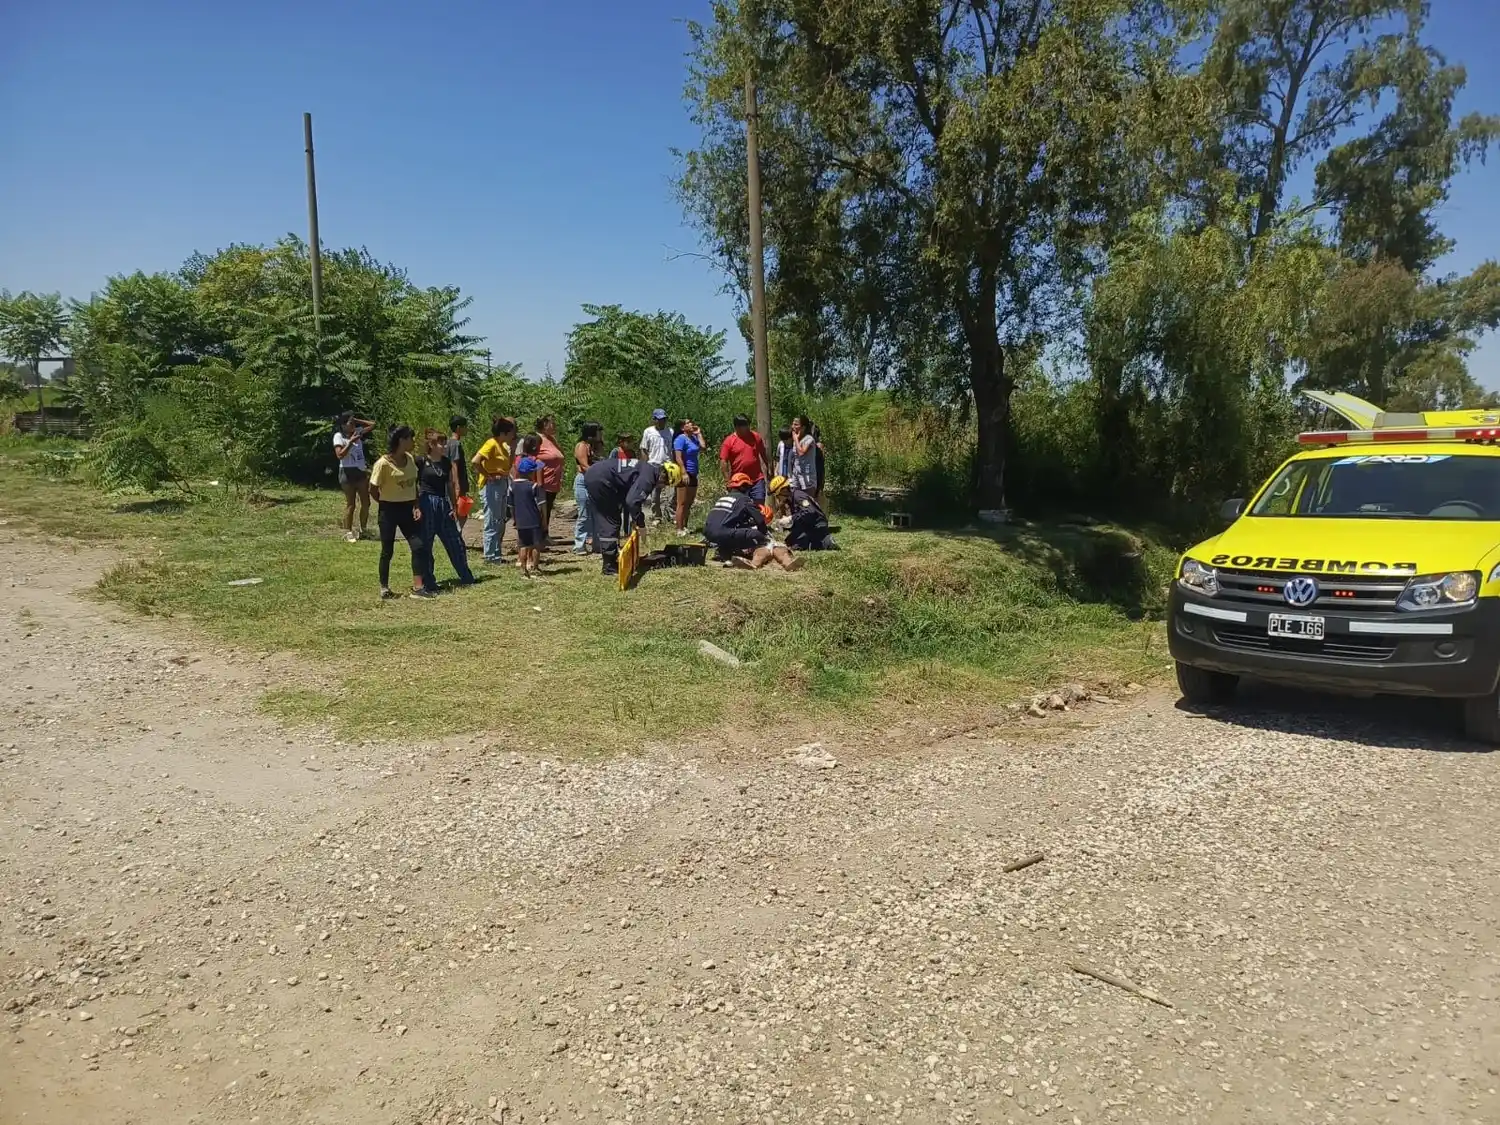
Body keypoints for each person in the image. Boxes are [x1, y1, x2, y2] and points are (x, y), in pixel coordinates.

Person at [582, 445, 683, 576]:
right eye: (667, 484)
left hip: (600, 475)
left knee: (613, 517)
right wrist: (640, 523)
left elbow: (628, 495)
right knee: (610, 520)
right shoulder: (648, 478)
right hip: (600, 479)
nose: (663, 487)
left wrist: (635, 519)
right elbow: (633, 501)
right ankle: (608, 565)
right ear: (665, 476)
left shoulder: (648, 469)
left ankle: (611, 557)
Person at [369, 425, 434, 599]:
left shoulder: (411, 459)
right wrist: (384, 502)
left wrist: (416, 505)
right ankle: (384, 587)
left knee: (418, 546)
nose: (413, 441)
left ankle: (418, 588)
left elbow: (414, 486)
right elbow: (373, 489)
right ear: (401, 440)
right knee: (387, 550)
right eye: (410, 438)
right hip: (389, 510)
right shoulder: (382, 464)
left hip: (408, 509)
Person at [416, 428, 476, 590]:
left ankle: (465, 575)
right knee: (426, 544)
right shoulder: (421, 461)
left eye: (444, 442)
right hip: (427, 502)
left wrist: (454, 506)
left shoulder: (445, 462)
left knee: (455, 541)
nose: (444, 445)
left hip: (442, 503)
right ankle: (428, 580)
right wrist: (416, 506)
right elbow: (414, 484)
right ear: (431, 445)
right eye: (440, 443)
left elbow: (450, 484)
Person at [705, 473, 801, 571]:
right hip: (757, 544)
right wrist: (762, 534)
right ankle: (781, 563)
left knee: (773, 549)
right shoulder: (744, 500)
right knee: (766, 548)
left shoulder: (723, 499)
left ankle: (733, 556)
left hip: (709, 533)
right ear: (744, 487)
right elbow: (759, 520)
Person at [472, 417, 516, 566]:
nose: (513, 435)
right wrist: (487, 474)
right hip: (492, 485)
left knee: (500, 519)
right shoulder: (491, 444)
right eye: (511, 432)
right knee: (491, 520)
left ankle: (496, 553)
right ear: (504, 433)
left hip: (502, 483)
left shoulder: (502, 446)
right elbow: (476, 461)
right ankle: (490, 555)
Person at [333, 411, 375, 542]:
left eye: (353, 423)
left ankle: (363, 529)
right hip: (347, 472)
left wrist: (356, 419)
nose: (352, 425)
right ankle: (348, 532)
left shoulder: (357, 432)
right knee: (351, 504)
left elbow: (373, 425)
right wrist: (350, 442)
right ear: (343, 425)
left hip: (360, 471)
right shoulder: (339, 436)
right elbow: (340, 455)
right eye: (350, 422)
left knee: (366, 502)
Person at [769, 474, 837, 551]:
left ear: (783, 491)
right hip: (807, 524)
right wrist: (787, 524)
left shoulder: (798, 496)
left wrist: (791, 518)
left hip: (817, 524)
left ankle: (826, 541)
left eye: (777, 495)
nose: (778, 498)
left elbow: (810, 512)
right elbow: (801, 516)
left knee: (798, 544)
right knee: (789, 541)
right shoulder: (791, 499)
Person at [511, 436, 547, 578]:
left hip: (520, 521)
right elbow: (541, 505)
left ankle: (523, 569)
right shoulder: (534, 486)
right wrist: (543, 520)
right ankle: (535, 567)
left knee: (523, 544)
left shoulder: (513, 486)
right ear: (531, 472)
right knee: (536, 544)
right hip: (534, 520)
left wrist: (515, 519)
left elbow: (511, 505)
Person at [719, 413, 773, 503]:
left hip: (757, 480)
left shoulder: (756, 437)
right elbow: (723, 461)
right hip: (739, 481)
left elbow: (764, 454)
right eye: (745, 426)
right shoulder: (729, 441)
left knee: (759, 505)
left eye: (748, 425)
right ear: (737, 427)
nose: (748, 428)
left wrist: (769, 471)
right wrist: (727, 481)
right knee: (741, 506)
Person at [573, 421, 605, 555]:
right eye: (598, 431)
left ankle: (597, 544)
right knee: (584, 514)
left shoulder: (595, 447)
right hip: (584, 480)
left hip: (595, 481)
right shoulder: (581, 446)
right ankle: (579, 545)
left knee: (597, 514)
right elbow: (585, 466)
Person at [639, 409, 675, 525]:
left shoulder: (670, 432)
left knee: (672, 493)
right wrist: (645, 465)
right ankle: (657, 517)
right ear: (654, 420)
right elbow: (644, 449)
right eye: (659, 420)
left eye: (664, 419)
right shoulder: (648, 432)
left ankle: (671, 515)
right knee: (655, 495)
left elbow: (673, 449)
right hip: (653, 465)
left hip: (668, 465)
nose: (662, 422)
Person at [533, 415, 566, 542]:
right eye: (552, 423)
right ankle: (538, 537)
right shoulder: (537, 439)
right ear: (544, 425)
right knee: (541, 510)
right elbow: (533, 457)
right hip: (542, 481)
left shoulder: (552, 439)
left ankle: (545, 534)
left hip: (553, 481)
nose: (554, 426)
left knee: (548, 509)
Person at [672, 419, 704, 535]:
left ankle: (685, 525)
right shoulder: (680, 439)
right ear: (682, 428)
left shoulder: (693, 438)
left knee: (690, 501)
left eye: (691, 422)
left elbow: (703, 447)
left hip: (694, 472)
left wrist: (699, 434)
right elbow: (678, 457)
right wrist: (683, 472)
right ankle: (679, 529)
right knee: (682, 502)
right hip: (684, 472)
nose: (691, 424)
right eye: (688, 423)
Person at [446, 416, 471, 532]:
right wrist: (457, 485)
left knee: (458, 510)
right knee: (461, 512)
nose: (466, 429)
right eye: (464, 427)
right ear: (458, 428)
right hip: (458, 483)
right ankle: (456, 534)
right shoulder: (455, 444)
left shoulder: (448, 443)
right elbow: (454, 464)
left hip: (451, 483)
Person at [786, 415, 818, 493]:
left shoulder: (809, 439)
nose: (793, 426)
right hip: (796, 476)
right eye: (792, 424)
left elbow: (801, 452)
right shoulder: (796, 440)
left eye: (796, 425)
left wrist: (796, 439)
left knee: (807, 503)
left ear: (803, 427)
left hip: (807, 478)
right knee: (795, 501)